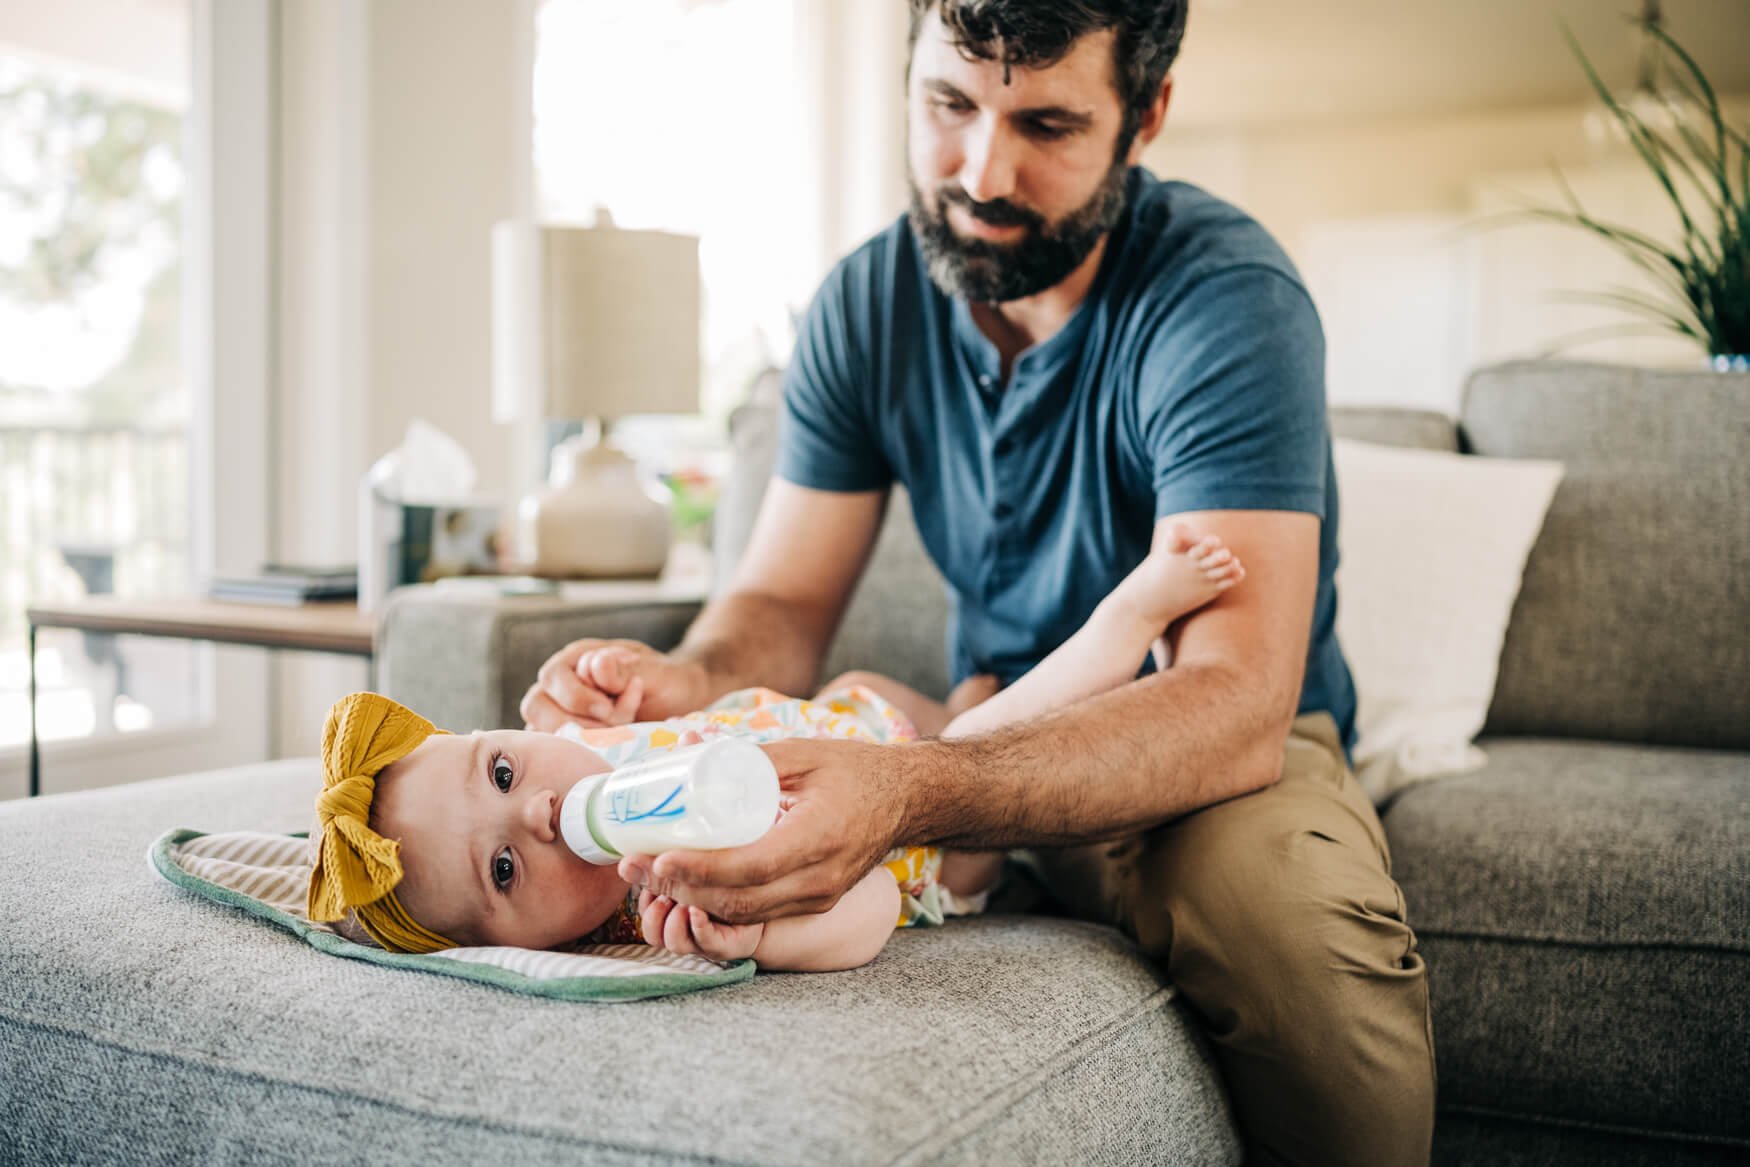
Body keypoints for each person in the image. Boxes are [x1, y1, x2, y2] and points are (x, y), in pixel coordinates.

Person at [521, 2, 1435, 1163]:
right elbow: (783, 609)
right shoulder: (868, 300)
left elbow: (1234, 700)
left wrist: (911, 791)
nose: (981, 171)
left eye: (1046, 122)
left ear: (1143, 116)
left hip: (1198, 754)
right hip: (986, 717)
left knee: (1299, 953)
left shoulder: (1224, 300)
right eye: (948, 104)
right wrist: (683, 680)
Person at [305, 525, 1243, 970]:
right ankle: (1129, 626)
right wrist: (764, 931)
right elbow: (869, 903)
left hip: (845, 717)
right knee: (982, 733)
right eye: (504, 869)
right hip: (938, 828)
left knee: (864, 694)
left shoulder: (576, 753)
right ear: (512, 947)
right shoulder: (661, 900)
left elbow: (625, 716)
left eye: (502, 770)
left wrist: (615, 684)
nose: (541, 812)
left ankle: (953, 695)